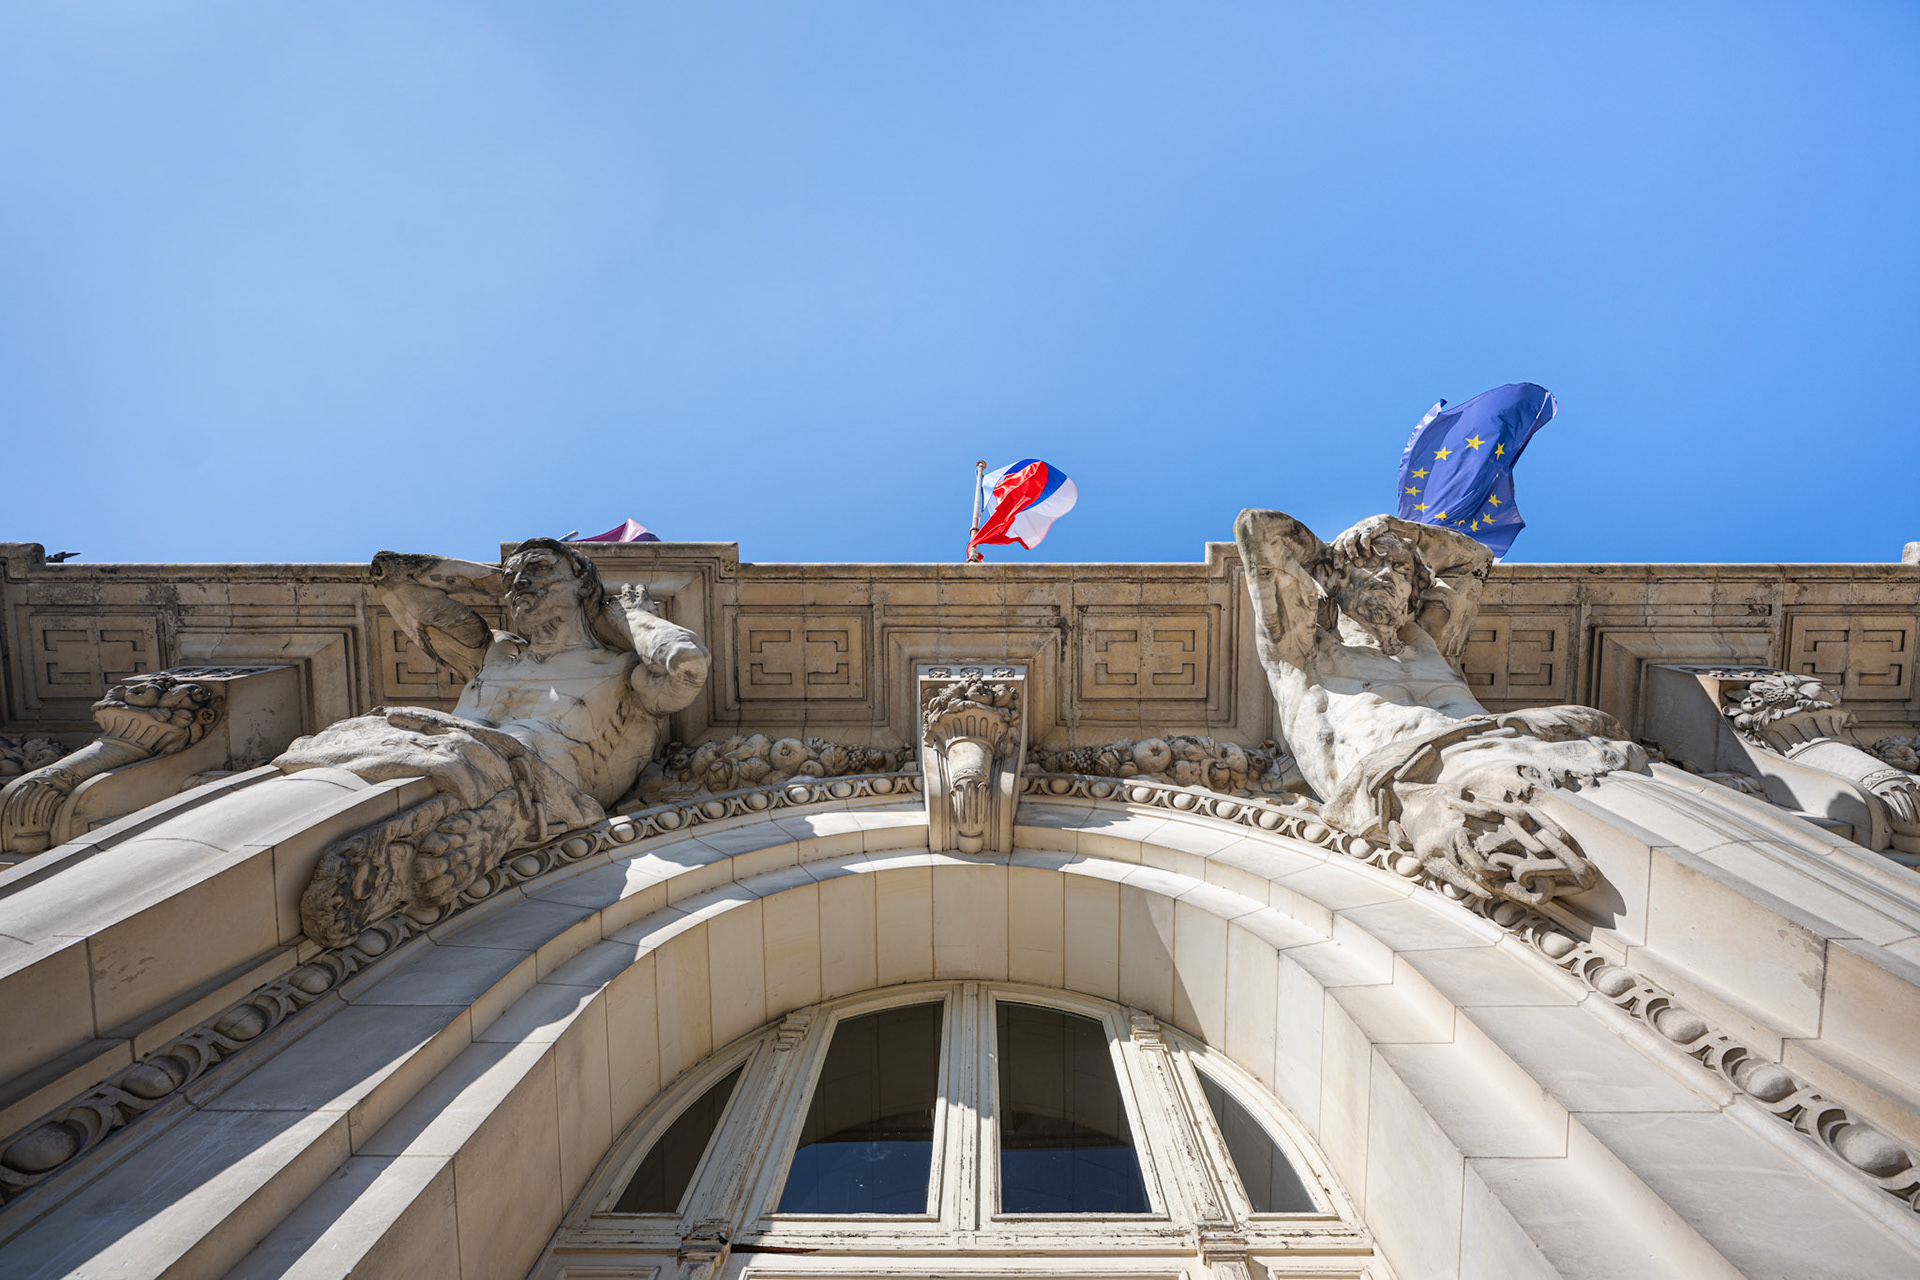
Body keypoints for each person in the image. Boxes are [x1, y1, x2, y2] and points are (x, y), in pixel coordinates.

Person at [276, 537, 709, 942]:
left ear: (584, 584)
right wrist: (494, 578)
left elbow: (686, 662)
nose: (520, 582)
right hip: (417, 751)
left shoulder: (625, 672)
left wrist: (621, 616)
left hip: (524, 787)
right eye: (512, 578)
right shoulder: (496, 651)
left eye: (539, 568)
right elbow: (393, 577)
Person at [1234, 510, 1644, 903]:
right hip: (1420, 776)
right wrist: (1330, 554)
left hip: (1523, 746)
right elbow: (1257, 529)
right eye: (1369, 566)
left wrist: (1397, 528)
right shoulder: (1303, 653)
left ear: (1415, 590)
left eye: (1400, 570)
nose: (1385, 576)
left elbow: (1474, 562)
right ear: (1336, 579)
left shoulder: (1428, 642)